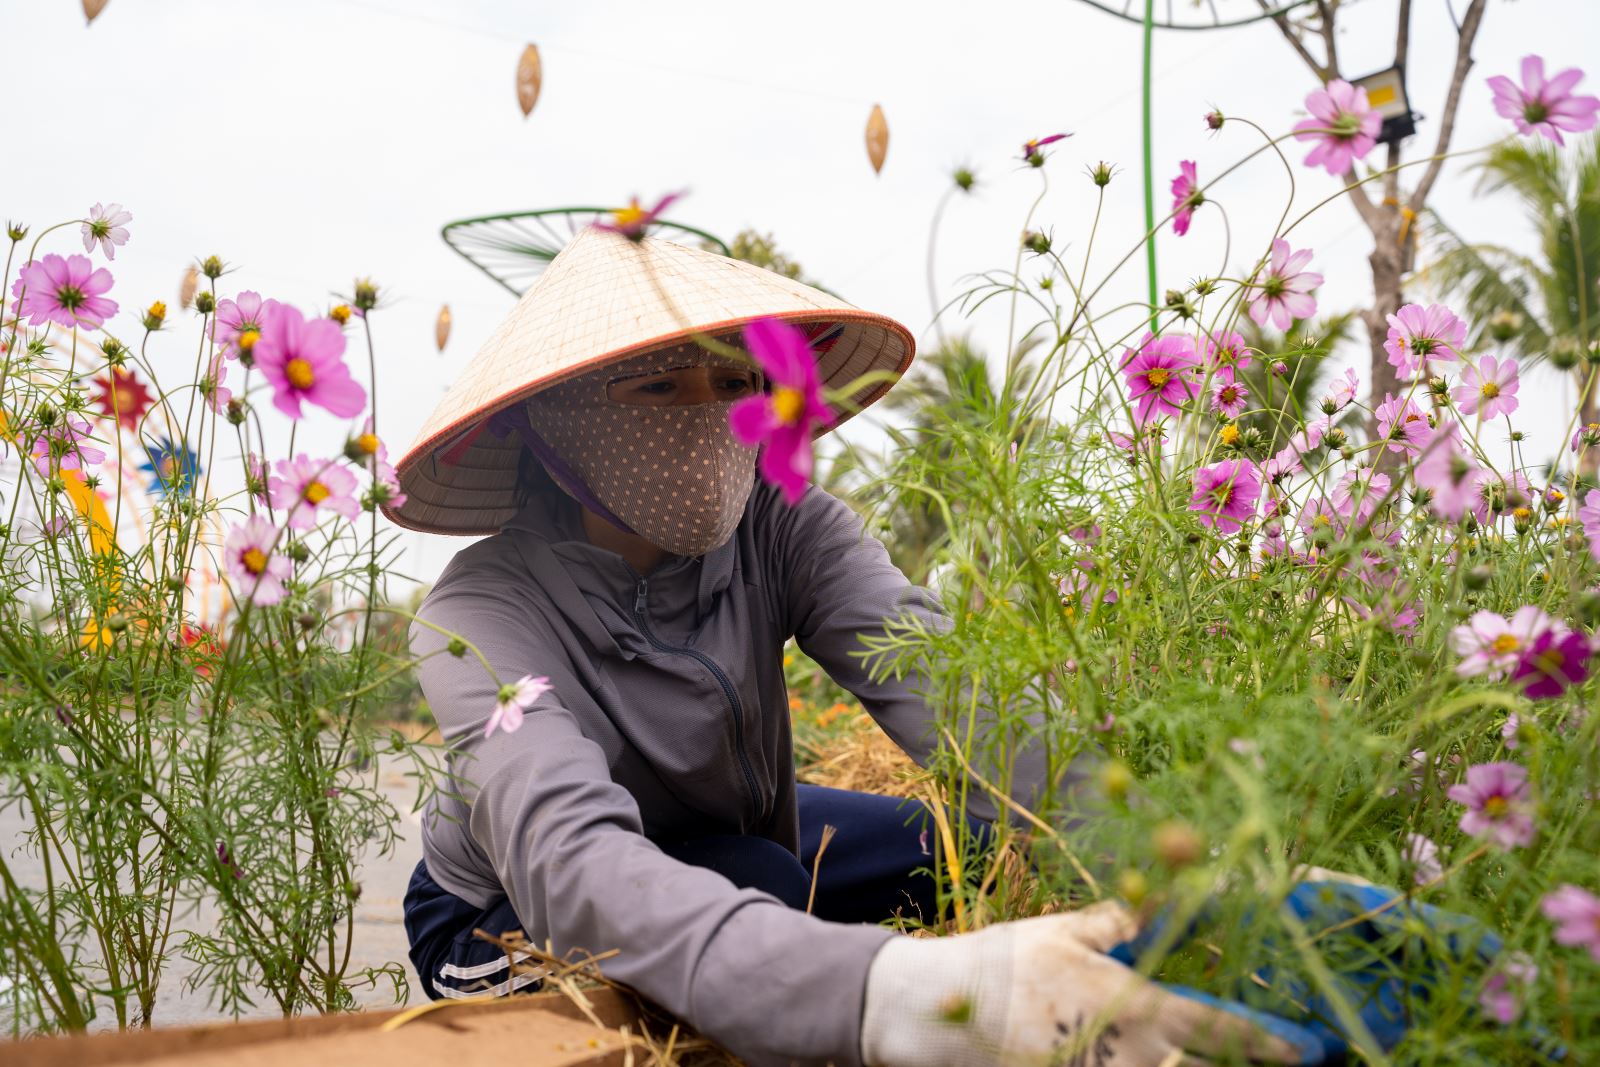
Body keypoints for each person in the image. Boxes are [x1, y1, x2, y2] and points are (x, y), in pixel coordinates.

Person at [384, 229, 1316, 1067]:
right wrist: (898, 996)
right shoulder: (481, 609)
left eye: (736, 380)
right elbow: (569, 862)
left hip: (730, 837)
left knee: (972, 846)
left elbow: (947, 690)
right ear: (556, 426)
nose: (710, 414)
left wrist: (1177, 870)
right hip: (502, 912)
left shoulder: (781, 524)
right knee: (764, 881)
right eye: (661, 385)